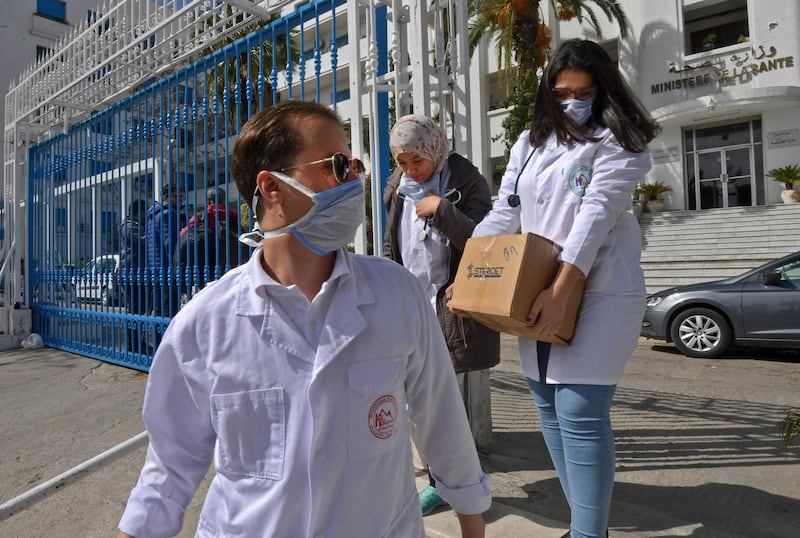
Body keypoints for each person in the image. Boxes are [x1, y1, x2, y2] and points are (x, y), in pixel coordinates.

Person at [116, 100, 490, 538]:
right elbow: (169, 468)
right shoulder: (204, 325)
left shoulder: (396, 295)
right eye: (337, 164)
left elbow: (442, 418)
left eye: (354, 164)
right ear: (272, 187)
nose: (356, 179)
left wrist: (470, 515)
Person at [462, 39, 659, 538]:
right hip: (535, 286)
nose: (573, 100)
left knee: (579, 411)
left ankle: (590, 534)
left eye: (585, 91)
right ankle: (582, 523)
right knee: (548, 406)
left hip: (598, 291)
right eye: (562, 91)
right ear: (548, 91)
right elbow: (505, 211)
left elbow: (596, 214)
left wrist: (564, 288)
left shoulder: (620, 138)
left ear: (604, 89)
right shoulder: (532, 142)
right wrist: (468, 275)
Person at [383, 114, 500, 516]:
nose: (410, 170)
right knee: (417, 401)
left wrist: (441, 210)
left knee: (450, 403)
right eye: (402, 162)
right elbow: (390, 246)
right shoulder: (397, 189)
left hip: (450, 307)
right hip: (409, 305)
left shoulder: (467, 183)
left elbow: (489, 244)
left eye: (417, 161)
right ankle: (439, 480)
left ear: (434, 148)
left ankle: (461, 485)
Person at [176, 186, 243, 289]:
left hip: (208, 271)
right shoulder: (234, 218)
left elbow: (182, 235)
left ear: (208, 201)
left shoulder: (200, 217)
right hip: (231, 271)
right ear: (224, 200)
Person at [144, 183, 185, 346]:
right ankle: (168, 350)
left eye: (181, 197)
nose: (179, 200)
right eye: (176, 197)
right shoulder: (168, 215)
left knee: (159, 313)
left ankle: (158, 347)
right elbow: (171, 244)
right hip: (167, 270)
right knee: (169, 312)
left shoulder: (152, 216)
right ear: (166, 198)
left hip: (155, 269)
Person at [119, 199, 148, 353]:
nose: (147, 214)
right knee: (134, 310)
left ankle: (139, 343)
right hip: (131, 273)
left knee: (140, 310)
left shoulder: (137, 226)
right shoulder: (129, 226)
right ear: (137, 212)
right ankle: (133, 346)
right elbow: (145, 240)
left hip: (138, 273)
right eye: (145, 211)